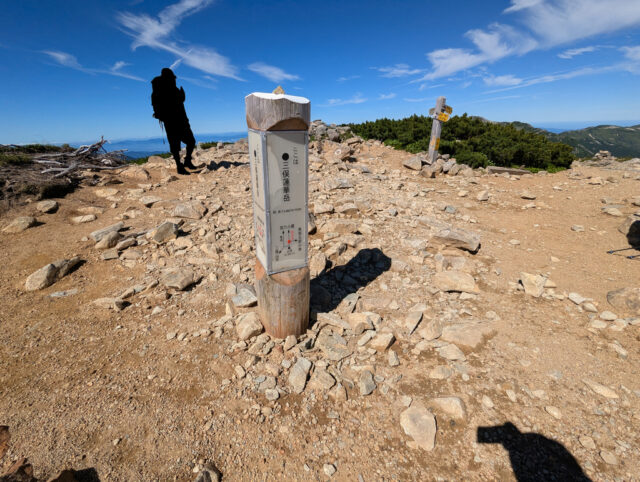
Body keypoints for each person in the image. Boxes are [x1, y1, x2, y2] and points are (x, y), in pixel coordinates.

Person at [151, 68, 198, 175]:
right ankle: (181, 166)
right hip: (176, 120)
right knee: (185, 142)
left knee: (179, 144)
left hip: (172, 121)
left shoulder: (166, 90)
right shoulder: (169, 90)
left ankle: (184, 163)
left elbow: (178, 102)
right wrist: (182, 96)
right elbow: (178, 102)